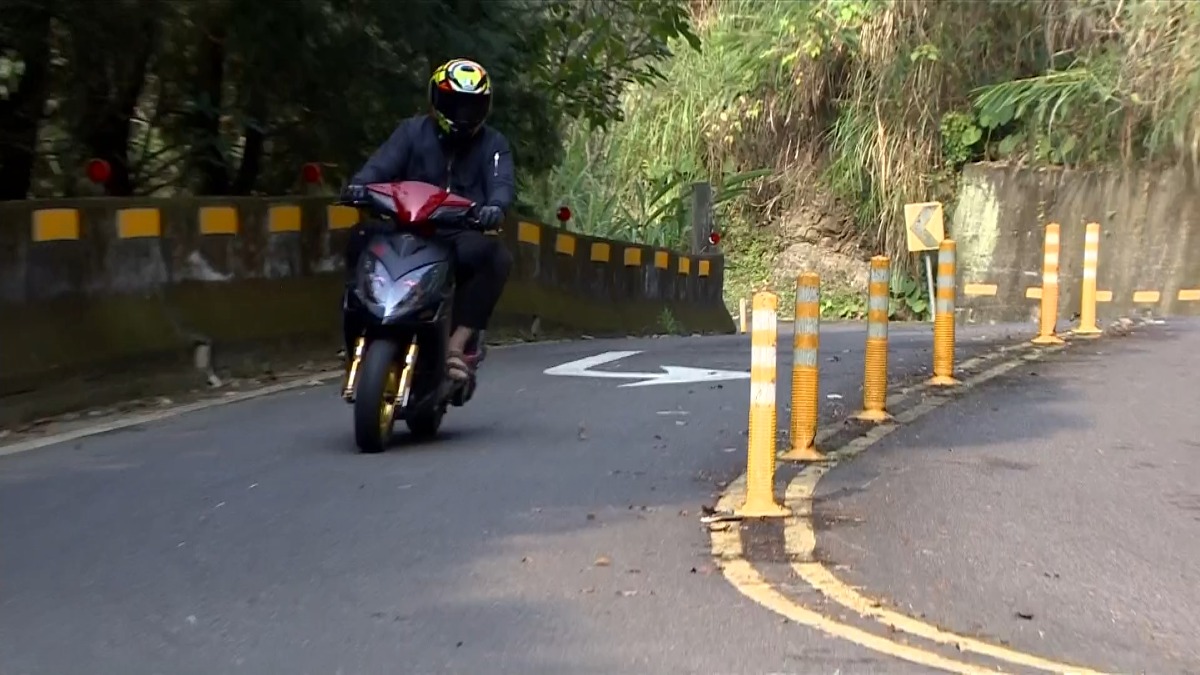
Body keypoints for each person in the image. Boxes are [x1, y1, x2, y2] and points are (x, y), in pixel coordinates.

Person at [340, 58, 515, 382]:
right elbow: (380, 166)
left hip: (456, 234)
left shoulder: (494, 144)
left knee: (495, 256)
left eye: (472, 105)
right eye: (455, 103)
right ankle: (357, 328)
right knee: (360, 237)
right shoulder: (411, 132)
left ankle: (458, 346)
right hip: (403, 227)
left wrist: (494, 207)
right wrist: (360, 187)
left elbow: (501, 183)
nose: (463, 113)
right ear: (436, 99)